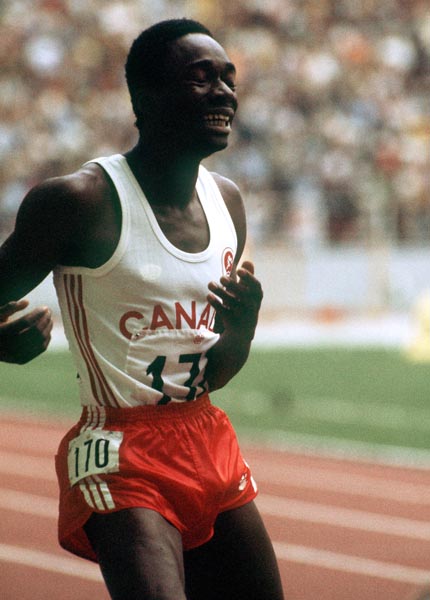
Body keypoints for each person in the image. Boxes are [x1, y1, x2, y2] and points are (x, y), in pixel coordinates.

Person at [0, 18, 284, 600]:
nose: (224, 93)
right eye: (200, 78)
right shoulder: (80, 201)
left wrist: (242, 329)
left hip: (206, 436)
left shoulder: (227, 201)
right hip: (119, 449)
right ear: (145, 98)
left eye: (228, 79)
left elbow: (217, 372)